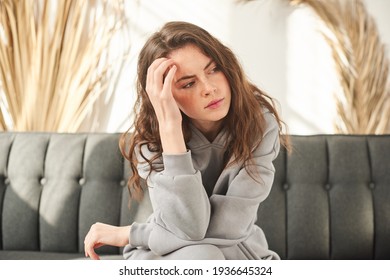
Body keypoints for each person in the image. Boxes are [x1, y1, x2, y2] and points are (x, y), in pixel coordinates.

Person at [84, 21, 289, 260]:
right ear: (164, 95)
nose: (209, 88)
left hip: (236, 251)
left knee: (205, 255)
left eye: (213, 70)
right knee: (203, 255)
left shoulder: (259, 124)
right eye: (188, 83)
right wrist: (170, 129)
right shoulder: (151, 141)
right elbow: (190, 227)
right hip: (165, 255)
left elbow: (230, 227)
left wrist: (132, 234)